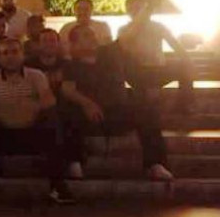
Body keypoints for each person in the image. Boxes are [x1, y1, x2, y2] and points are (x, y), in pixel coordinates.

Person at [0, 38, 73, 204]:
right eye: (5, 53)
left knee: (53, 121)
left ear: (22, 55)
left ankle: (58, 186)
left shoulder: (36, 76)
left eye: (15, 52)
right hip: (1, 133)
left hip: (31, 130)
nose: (11, 57)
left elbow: (48, 101)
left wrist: (24, 110)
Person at [61, 25, 173, 180]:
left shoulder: (109, 54)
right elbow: (67, 89)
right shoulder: (71, 65)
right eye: (86, 35)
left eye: (93, 34)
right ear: (75, 43)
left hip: (116, 111)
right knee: (68, 111)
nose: (93, 38)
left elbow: (130, 33)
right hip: (89, 116)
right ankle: (74, 162)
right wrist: (87, 104)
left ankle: (155, 164)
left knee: (147, 111)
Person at [118, 0, 194, 112]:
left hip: (158, 70)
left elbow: (176, 45)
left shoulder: (159, 27)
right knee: (130, 68)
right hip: (137, 72)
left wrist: (186, 59)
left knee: (185, 66)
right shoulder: (124, 30)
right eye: (131, 9)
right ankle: (143, 103)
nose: (135, 12)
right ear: (127, 12)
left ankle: (183, 105)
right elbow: (122, 52)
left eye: (138, 8)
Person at [26, 29, 67, 96]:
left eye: (52, 40)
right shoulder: (28, 65)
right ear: (38, 44)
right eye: (44, 41)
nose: (49, 44)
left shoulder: (67, 65)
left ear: (58, 43)